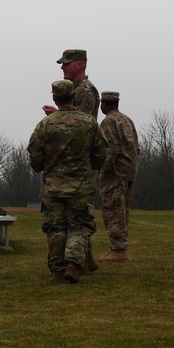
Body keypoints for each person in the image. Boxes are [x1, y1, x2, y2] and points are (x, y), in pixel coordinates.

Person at [28, 80, 107, 283]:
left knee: (56, 229)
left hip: (53, 187)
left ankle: (58, 271)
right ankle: (74, 263)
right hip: (81, 187)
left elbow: (35, 158)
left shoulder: (45, 124)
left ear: (55, 98)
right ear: (73, 96)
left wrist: (45, 165)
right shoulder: (89, 123)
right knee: (79, 227)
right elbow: (101, 154)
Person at [97, 91, 140, 261]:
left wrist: (103, 170)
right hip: (128, 172)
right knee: (123, 211)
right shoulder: (126, 120)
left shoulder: (108, 122)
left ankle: (118, 250)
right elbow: (136, 146)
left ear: (104, 104)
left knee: (113, 210)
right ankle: (119, 247)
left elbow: (112, 148)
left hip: (115, 173)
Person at [43, 49, 99, 120]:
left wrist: (56, 114)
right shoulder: (75, 88)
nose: (62, 67)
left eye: (66, 64)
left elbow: (82, 122)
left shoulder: (86, 90)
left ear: (80, 65)